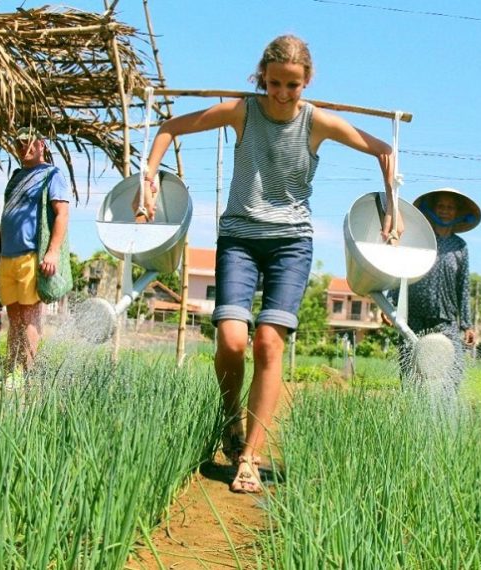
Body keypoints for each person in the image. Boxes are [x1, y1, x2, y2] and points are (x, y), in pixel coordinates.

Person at [137, 35, 400, 493]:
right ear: (263, 77)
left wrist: (393, 208)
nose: (281, 93)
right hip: (239, 236)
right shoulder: (243, 111)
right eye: (274, 82)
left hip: (290, 244)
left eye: (292, 85)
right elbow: (169, 129)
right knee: (233, 341)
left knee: (268, 344)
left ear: (307, 82)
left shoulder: (318, 123)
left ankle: (250, 457)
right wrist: (148, 180)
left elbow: (384, 149)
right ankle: (230, 419)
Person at [389, 187, 480, 391]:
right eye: (441, 206)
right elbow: (401, 271)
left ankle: (445, 415)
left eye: (450, 207)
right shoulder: (420, 240)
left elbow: (463, 286)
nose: (445, 210)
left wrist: (466, 324)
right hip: (415, 317)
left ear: (457, 213)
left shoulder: (460, 247)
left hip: (446, 319)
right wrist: (391, 303)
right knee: (411, 371)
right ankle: (410, 414)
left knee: (453, 372)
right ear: (432, 209)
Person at [0, 127, 69, 374]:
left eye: (28, 142)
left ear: (41, 145)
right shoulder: (17, 175)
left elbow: (61, 214)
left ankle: (28, 375)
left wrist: (52, 252)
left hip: (31, 254)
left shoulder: (52, 174)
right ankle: (11, 371)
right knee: (14, 318)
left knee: (30, 317)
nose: (23, 146)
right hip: (7, 255)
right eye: (18, 142)